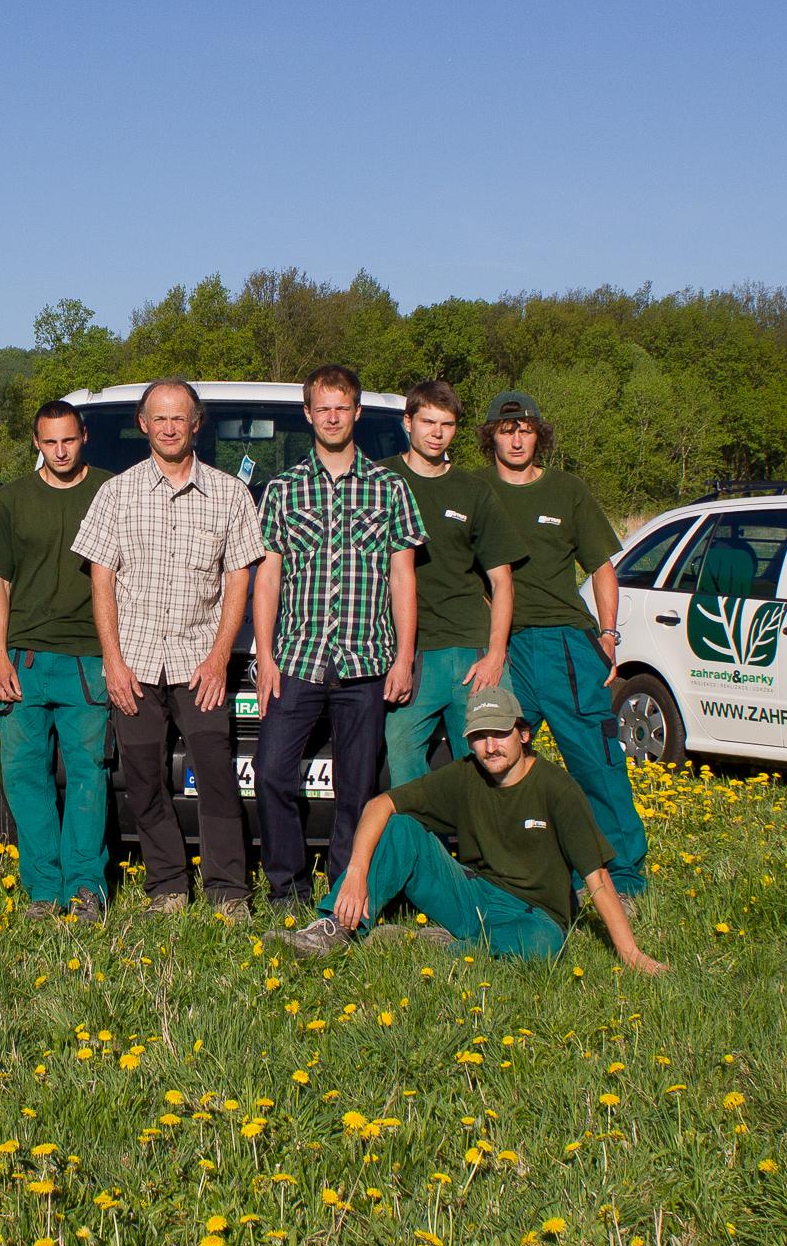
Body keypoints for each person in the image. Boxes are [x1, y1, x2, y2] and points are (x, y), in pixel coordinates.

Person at [287, 684, 662, 970]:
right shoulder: (467, 775)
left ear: (524, 734)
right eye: (480, 737)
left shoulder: (558, 789)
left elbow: (596, 877)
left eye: (499, 733)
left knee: (543, 946)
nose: (490, 746)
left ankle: (432, 945)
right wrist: (356, 871)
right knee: (400, 828)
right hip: (472, 896)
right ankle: (333, 928)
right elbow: (378, 804)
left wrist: (632, 955)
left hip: (532, 915)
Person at [73, 378, 265, 916]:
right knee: (143, 778)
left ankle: (229, 891)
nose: (169, 427)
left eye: (179, 418)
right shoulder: (116, 494)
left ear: (196, 424)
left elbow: (239, 578)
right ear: (144, 425)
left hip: (200, 662)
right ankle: (168, 888)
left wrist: (220, 657)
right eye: (159, 418)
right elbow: (102, 578)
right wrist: (112, 661)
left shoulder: (230, 494)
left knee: (217, 774)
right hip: (133, 662)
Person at [251, 364, 426, 904]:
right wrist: (265, 657)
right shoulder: (282, 489)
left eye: (341, 407)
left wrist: (403, 657)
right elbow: (269, 577)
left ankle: (345, 889)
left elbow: (403, 576)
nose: (332, 416)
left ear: (357, 413)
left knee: (357, 788)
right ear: (308, 415)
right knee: (271, 771)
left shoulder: (389, 488)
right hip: (298, 659)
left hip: (366, 662)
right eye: (322, 407)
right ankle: (287, 887)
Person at [481, 389, 650, 893]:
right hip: (501, 648)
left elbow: (601, 566)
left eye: (526, 429)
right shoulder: (473, 490)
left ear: (539, 435)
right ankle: (513, 873)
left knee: (594, 760)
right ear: (490, 436)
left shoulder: (567, 491)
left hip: (564, 645)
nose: (516, 439)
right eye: (507, 430)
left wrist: (608, 634)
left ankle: (621, 876)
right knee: (497, 759)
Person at [0, 400, 116, 921]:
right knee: (24, 775)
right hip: (26, 658)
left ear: (83, 436)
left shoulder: (111, 491)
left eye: (69, 440)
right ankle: (42, 889)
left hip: (88, 657)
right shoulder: (12, 500)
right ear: (36, 442)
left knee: (89, 773)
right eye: (49, 442)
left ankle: (86, 888)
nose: (60, 451)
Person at [379, 378, 526, 791]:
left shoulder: (473, 491)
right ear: (408, 423)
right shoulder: (380, 480)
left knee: (491, 759)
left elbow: (502, 581)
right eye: (428, 422)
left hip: (470, 650)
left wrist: (496, 654)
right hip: (409, 652)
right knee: (403, 758)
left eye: (446, 424)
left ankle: (489, 852)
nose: (437, 432)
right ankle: (425, 852)